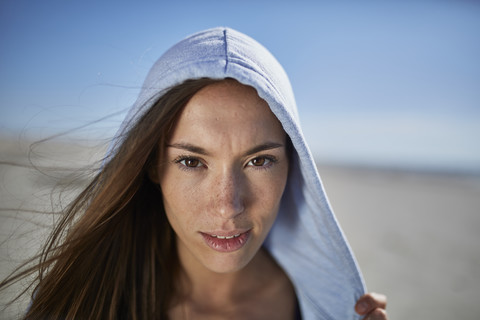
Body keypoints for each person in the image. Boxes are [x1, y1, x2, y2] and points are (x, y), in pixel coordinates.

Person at [1, 27, 387, 319]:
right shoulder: (82, 302)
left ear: (295, 167)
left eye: (259, 161)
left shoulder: (327, 309)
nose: (227, 207)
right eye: (192, 161)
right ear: (152, 165)